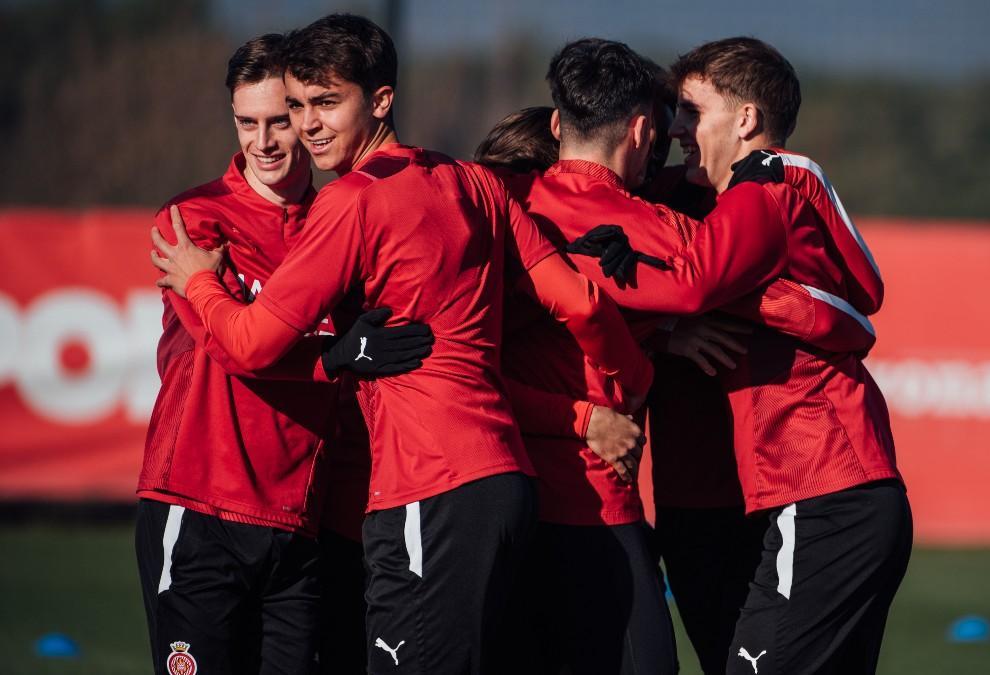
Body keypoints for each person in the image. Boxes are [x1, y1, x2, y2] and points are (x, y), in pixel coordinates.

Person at [149, 15, 653, 675]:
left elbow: (248, 343)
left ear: (381, 100)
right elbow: (580, 302)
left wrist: (201, 282)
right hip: (507, 483)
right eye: (297, 105)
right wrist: (632, 383)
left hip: (427, 485)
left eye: (327, 102)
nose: (308, 124)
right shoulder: (474, 182)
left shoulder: (350, 202)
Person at [482, 39, 880, 674]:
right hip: (611, 503)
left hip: (534, 501)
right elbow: (848, 305)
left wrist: (666, 321)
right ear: (643, 130)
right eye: (675, 122)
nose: (682, 132)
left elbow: (855, 305)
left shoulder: (493, 200)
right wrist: (663, 325)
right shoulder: (653, 210)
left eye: (693, 116)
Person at [134, 34, 431, 675]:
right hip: (199, 506)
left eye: (281, 119)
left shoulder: (342, 217)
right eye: (247, 122)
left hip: (302, 519)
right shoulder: (193, 220)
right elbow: (236, 346)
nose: (264, 141)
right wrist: (335, 357)